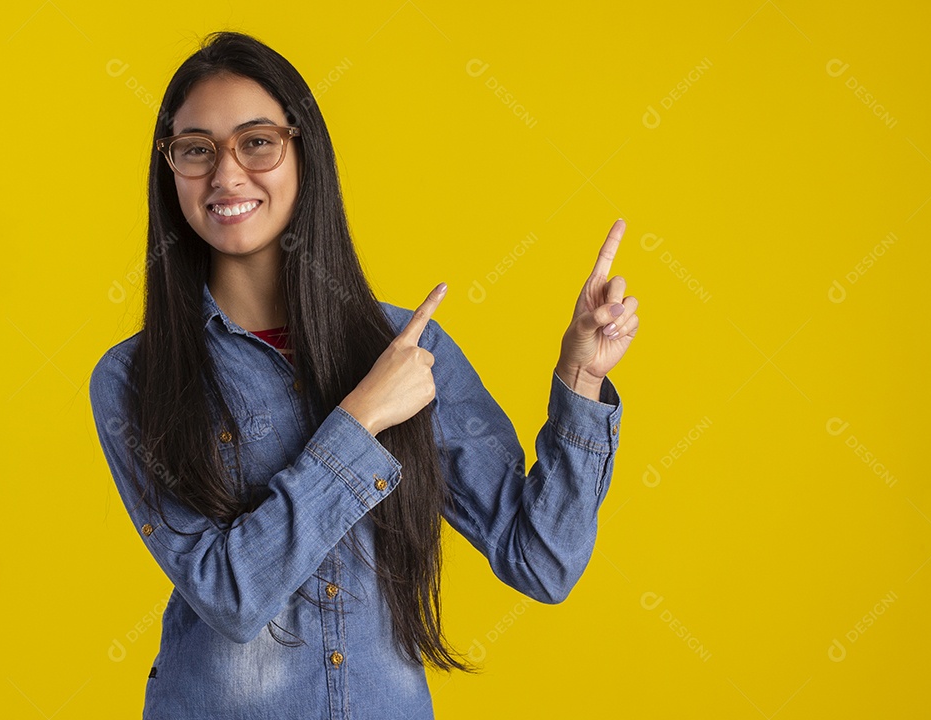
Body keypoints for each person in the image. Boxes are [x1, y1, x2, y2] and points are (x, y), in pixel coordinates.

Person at [88, 30, 639, 720]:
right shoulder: (135, 377)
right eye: (196, 149)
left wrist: (580, 379)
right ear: (170, 171)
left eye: (257, 141)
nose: (226, 175)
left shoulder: (407, 347)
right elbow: (228, 593)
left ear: (304, 150)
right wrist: (360, 421)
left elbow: (542, 562)